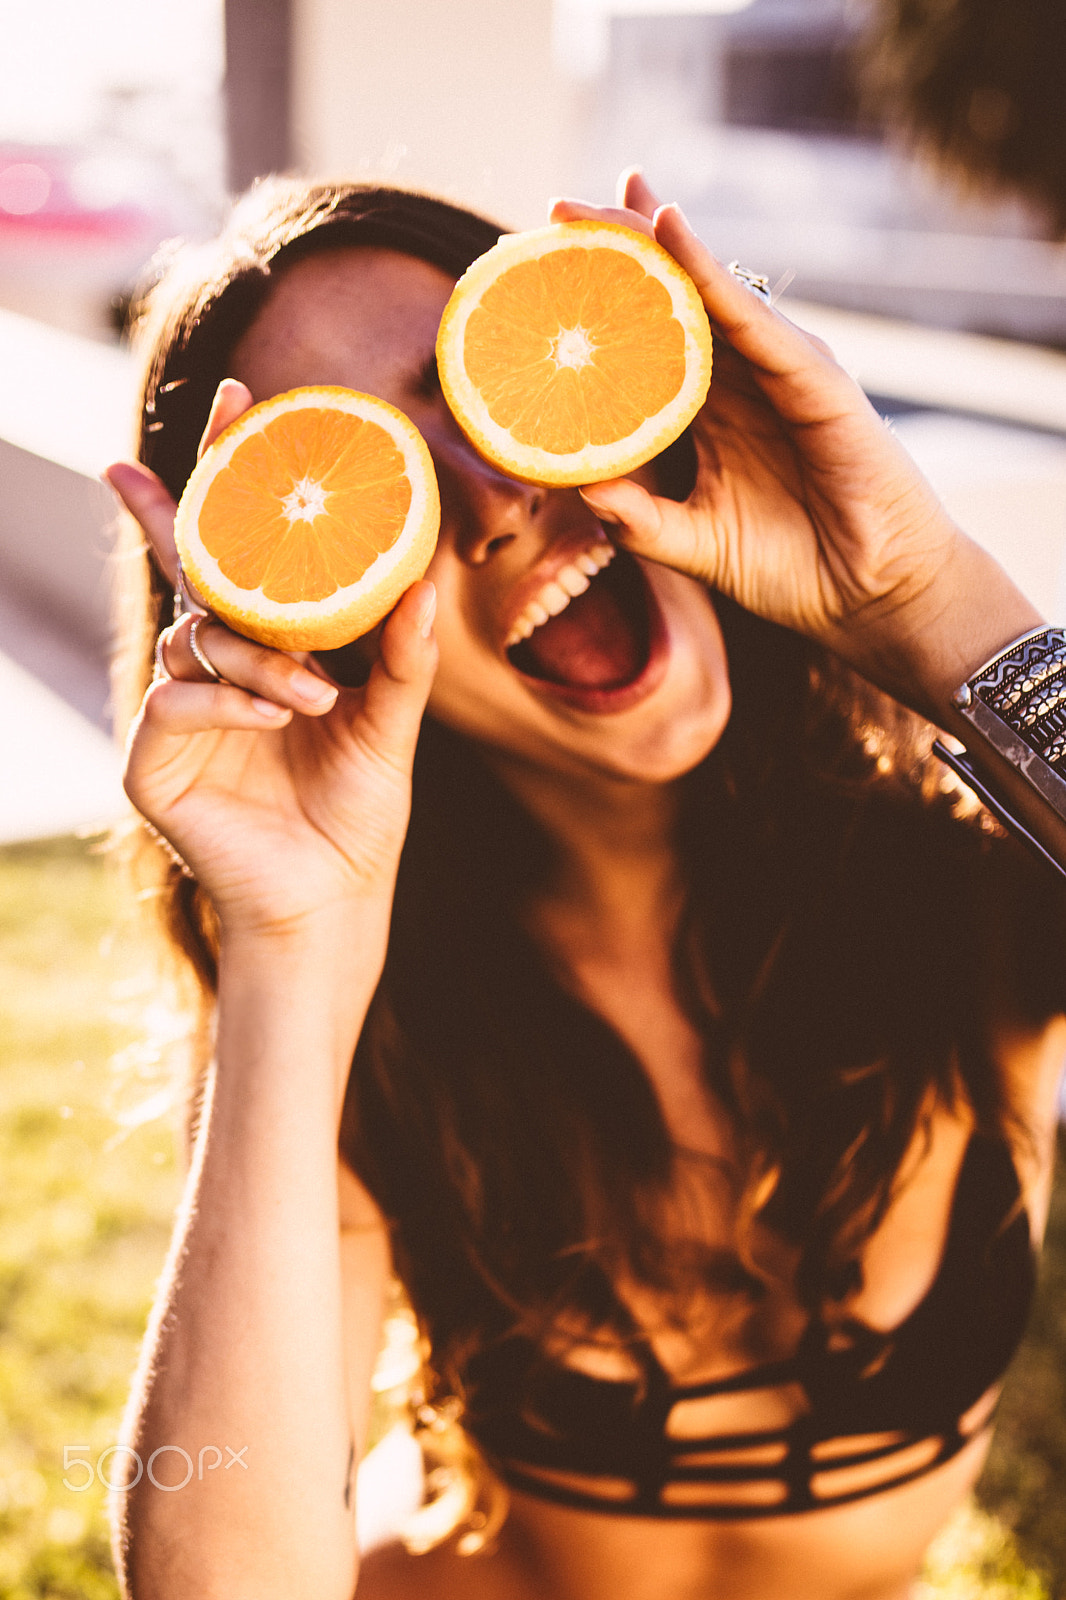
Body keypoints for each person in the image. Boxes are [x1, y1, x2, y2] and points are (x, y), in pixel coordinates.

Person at [105, 169, 1066, 1600]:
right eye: (384, 481)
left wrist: (925, 604)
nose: (492, 498)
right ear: (302, 619)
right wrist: (296, 950)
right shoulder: (374, 1023)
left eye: (493, 391)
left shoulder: (949, 883)